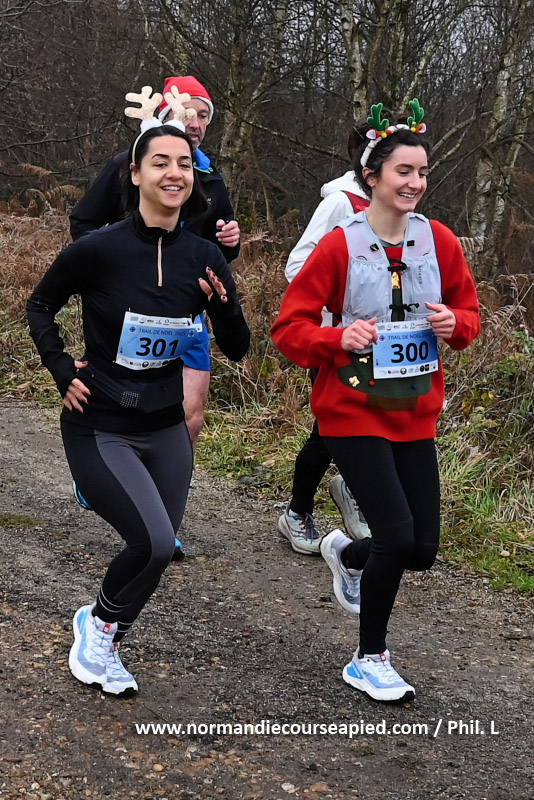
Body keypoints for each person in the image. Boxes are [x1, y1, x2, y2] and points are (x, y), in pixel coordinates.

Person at [27, 89, 250, 697]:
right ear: (135, 173)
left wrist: (221, 306)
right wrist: (60, 367)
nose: (174, 172)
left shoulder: (204, 256)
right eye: (160, 162)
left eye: (184, 163)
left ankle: (107, 634)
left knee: (157, 549)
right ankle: (98, 626)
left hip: (164, 424)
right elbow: (40, 305)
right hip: (99, 420)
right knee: (151, 542)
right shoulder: (99, 250)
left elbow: (237, 347)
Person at [272, 100, 480, 702]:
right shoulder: (340, 245)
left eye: (422, 172)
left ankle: (347, 554)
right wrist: (337, 339)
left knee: (422, 549)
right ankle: (369, 658)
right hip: (350, 409)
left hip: (414, 412)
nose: (415, 183)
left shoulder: (439, 241)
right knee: (394, 534)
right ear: (372, 177)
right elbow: (289, 329)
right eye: (403, 172)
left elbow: (469, 317)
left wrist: (454, 325)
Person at [70, 75, 240, 448]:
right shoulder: (127, 165)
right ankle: (107, 459)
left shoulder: (209, 177)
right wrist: (108, 268)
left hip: (187, 311)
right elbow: (83, 222)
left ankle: (167, 478)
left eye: (204, 116)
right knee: (124, 406)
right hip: (129, 306)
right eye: (188, 113)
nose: (195, 123)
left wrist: (231, 241)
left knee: (190, 415)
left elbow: (220, 249)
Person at [278, 129, 372, 556]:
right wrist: (338, 307)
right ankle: (297, 513)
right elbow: (297, 264)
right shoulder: (340, 203)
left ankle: (352, 490)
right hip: (335, 340)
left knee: (375, 423)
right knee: (329, 431)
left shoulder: (401, 208)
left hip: (383, 343)